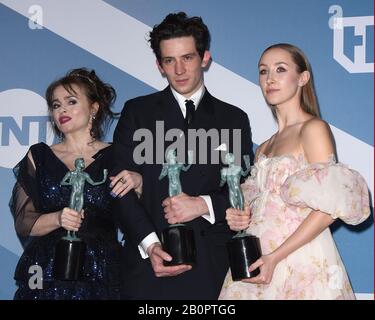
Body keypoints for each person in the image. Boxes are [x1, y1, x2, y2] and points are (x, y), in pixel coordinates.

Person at [112, 12, 253, 299]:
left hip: (212, 270)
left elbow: (245, 188)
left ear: (205, 58)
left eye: (187, 58)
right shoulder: (137, 112)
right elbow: (119, 187)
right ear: (159, 65)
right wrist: (150, 245)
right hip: (147, 270)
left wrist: (202, 204)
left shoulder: (233, 118)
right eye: (169, 60)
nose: (179, 69)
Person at [219, 43, 370, 300]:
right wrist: (240, 216)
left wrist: (276, 257)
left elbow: (328, 210)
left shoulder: (313, 129)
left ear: (303, 77)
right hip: (259, 261)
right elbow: (261, 209)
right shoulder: (264, 147)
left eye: (280, 69)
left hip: (299, 260)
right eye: (263, 71)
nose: (270, 79)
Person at [10, 68, 142, 300]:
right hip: (47, 272)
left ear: (94, 107)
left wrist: (140, 183)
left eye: (71, 101)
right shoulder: (38, 157)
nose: (62, 110)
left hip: (102, 271)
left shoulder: (117, 156)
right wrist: (58, 218)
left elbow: (138, 214)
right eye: (56, 104)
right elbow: (24, 221)